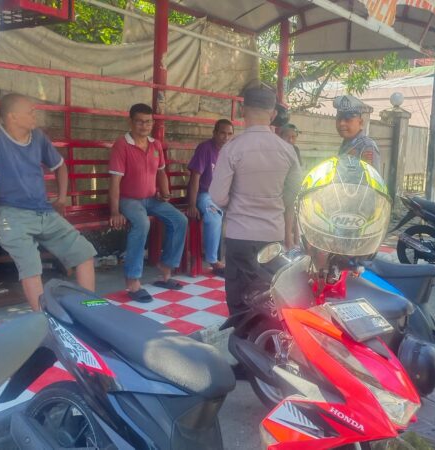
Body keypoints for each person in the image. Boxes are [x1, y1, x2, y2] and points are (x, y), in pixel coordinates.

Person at [0, 93, 96, 311]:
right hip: (8, 213)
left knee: (84, 252)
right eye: (30, 112)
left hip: (43, 212)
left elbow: (60, 166)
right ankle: (45, 319)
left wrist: (61, 198)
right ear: (12, 116)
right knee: (31, 264)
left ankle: (91, 309)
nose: (35, 115)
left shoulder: (38, 137)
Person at [209, 86, 303, 317]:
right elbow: (293, 194)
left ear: (243, 110)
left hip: (239, 234)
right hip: (272, 236)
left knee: (240, 301)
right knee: (271, 298)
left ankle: (242, 336)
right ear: (273, 114)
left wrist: (236, 205)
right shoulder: (288, 150)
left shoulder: (232, 149)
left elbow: (217, 197)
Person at [108, 103, 188, 301]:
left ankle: (166, 269)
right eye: (139, 122)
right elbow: (115, 181)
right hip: (129, 200)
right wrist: (115, 211)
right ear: (131, 122)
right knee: (142, 223)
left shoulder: (155, 144)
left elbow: (161, 172)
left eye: (148, 122)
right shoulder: (122, 145)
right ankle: (132, 281)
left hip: (152, 199)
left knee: (180, 220)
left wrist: (165, 192)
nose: (144, 126)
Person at [186, 119, 234, 275]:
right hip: (205, 195)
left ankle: (239, 259)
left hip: (224, 195)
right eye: (222, 133)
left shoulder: (230, 151)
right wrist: (192, 204)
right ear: (214, 133)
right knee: (214, 217)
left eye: (229, 134)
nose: (226, 137)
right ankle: (213, 261)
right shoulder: (205, 148)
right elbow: (195, 177)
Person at [334, 95, 381, 172]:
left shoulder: (366, 146)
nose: (342, 123)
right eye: (339, 119)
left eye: (347, 119)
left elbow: (371, 178)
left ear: (360, 122)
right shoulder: (347, 143)